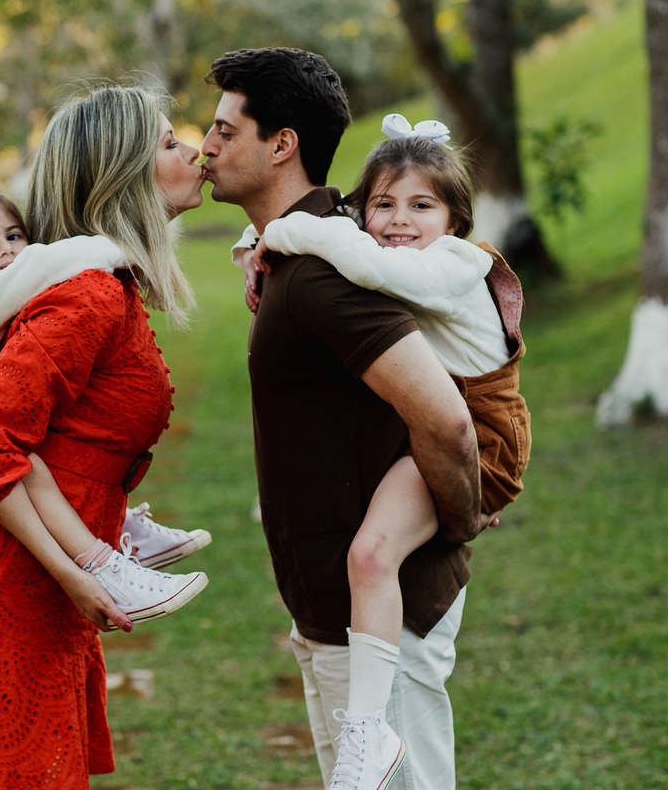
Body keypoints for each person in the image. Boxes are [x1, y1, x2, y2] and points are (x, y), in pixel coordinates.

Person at [0, 83, 207, 790]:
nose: (197, 152)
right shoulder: (86, 294)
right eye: (171, 143)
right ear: (126, 171)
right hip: (6, 573)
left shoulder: (106, 287)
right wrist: (77, 570)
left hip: (22, 562)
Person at [202, 49, 489, 790]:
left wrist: (459, 516)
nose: (207, 147)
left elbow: (450, 422)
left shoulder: (328, 273)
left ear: (282, 144)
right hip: (338, 610)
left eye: (224, 131)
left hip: (381, 625)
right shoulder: (306, 254)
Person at [0, 174, 210, 631]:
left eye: (14, 235)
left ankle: (117, 526)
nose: (8, 251)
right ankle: (102, 563)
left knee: (26, 439)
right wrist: (124, 246)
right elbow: (45, 266)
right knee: (23, 463)